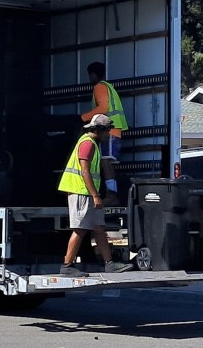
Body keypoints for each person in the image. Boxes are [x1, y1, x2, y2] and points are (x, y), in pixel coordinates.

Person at [58, 114, 133, 276]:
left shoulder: (93, 143)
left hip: (88, 193)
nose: (108, 135)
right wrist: (96, 196)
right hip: (81, 192)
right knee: (80, 229)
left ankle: (109, 264)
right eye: (107, 131)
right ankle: (67, 265)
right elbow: (85, 171)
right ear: (99, 130)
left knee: (99, 228)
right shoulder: (87, 144)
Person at [80, 62, 128, 206]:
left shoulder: (99, 87)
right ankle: (111, 194)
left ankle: (111, 195)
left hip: (109, 130)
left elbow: (103, 107)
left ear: (93, 74)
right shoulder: (108, 86)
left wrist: (83, 117)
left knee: (106, 163)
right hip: (114, 129)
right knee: (106, 163)